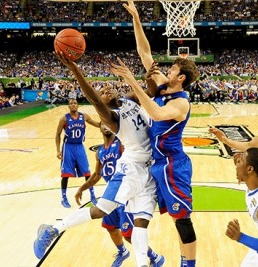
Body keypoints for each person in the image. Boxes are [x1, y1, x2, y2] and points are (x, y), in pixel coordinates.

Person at [34, 51, 160, 267]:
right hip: (131, 168)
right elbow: (93, 98)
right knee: (101, 210)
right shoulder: (110, 118)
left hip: (151, 170)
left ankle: (147, 263)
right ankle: (53, 230)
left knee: (140, 224)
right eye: (102, 91)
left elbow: (151, 91)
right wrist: (74, 69)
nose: (106, 89)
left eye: (107, 87)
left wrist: (152, 76)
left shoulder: (128, 99)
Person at [121, 2, 200, 266]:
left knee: (182, 220)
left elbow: (155, 113)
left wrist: (134, 83)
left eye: (173, 69)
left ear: (181, 79)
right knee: (145, 213)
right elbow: (145, 53)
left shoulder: (181, 103)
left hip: (173, 165)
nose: (168, 70)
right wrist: (136, 18)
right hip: (157, 164)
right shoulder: (166, 88)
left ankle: (188, 264)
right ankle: (152, 257)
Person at [74, 123, 164, 267]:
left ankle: (155, 257)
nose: (106, 126)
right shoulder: (100, 152)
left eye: (107, 123)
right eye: (102, 123)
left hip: (125, 193)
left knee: (128, 234)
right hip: (111, 193)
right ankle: (122, 252)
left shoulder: (122, 144)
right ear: (100, 127)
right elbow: (97, 175)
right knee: (110, 226)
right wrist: (82, 188)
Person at [55, 98, 100, 208]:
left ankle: (92, 196)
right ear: (69, 106)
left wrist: (105, 120)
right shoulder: (64, 119)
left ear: (78, 105)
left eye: (75, 103)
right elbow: (58, 134)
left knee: (87, 172)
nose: (73, 105)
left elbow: (98, 125)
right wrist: (57, 150)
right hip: (68, 147)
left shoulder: (84, 116)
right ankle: (64, 198)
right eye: (71, 103)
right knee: (65, 174)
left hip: (80, 146)